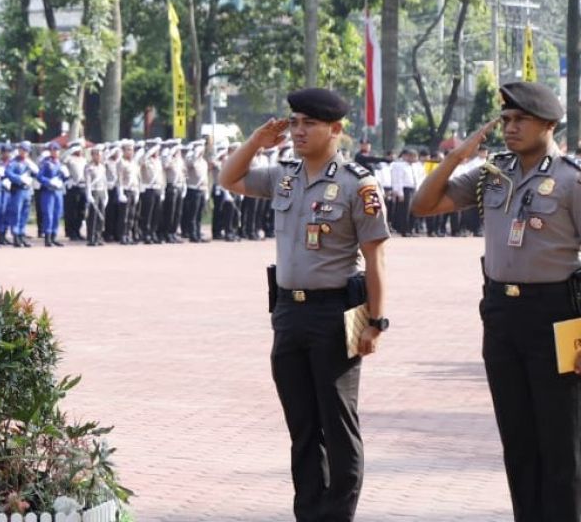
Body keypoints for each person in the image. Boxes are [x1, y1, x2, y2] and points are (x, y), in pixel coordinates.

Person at [411, 82, 581, 522]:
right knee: (518, 437)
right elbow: (422, 205)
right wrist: (454, 158)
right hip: (501, 314)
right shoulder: (491, 175)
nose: (510, 127)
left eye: (521, 119)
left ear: (549, 124)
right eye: (505, 120)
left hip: (557, 314)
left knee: (561, 438)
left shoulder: (569, 181)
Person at [219, 88, 389, 522]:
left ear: (335, 129)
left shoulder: (358, 183)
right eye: (293, 122)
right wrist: (257, 141)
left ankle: (338, 514)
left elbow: (375, 257)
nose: (297, 131)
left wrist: (376, 321)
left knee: (338, 423)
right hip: (288, 313)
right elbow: (229, 178)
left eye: (308, 123)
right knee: (302, 427)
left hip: (340, 313)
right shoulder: (285, 176)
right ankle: (309, 512)